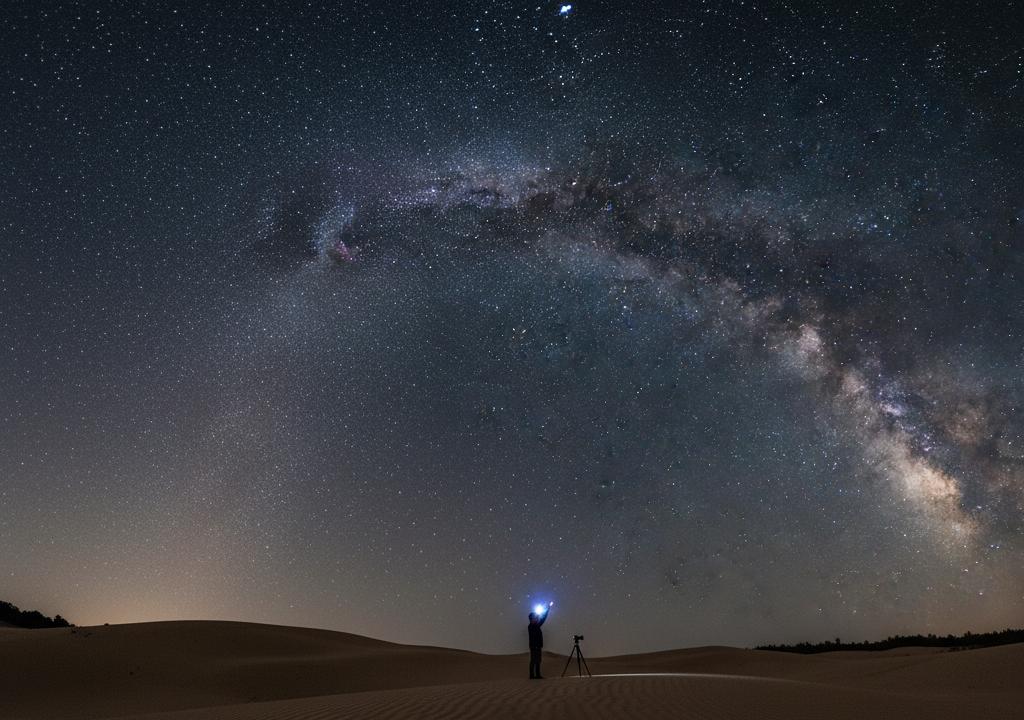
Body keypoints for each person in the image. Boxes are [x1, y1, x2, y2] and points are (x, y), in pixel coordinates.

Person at [527, 604, 551, 679]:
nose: (536, 619)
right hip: (534, 646)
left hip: (538, 646)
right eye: (534, 618)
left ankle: (537, 675)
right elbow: (539, 621)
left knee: (538, 660)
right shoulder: (531, 626)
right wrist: (537, 616)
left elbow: (543, 619)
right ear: (531, 619)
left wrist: (547, 610)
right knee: (533, 660)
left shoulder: (536, 625)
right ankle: (532, 675)